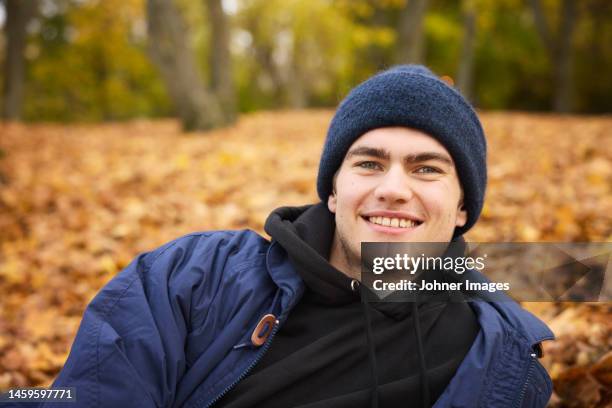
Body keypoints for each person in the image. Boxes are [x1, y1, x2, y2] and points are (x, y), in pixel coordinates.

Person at [32, 65, 554, 408]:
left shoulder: (499, 362)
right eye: (369, 163)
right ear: (332, 191)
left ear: (464, 207)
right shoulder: (190, 278)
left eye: (427, 170)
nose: (393, 189)